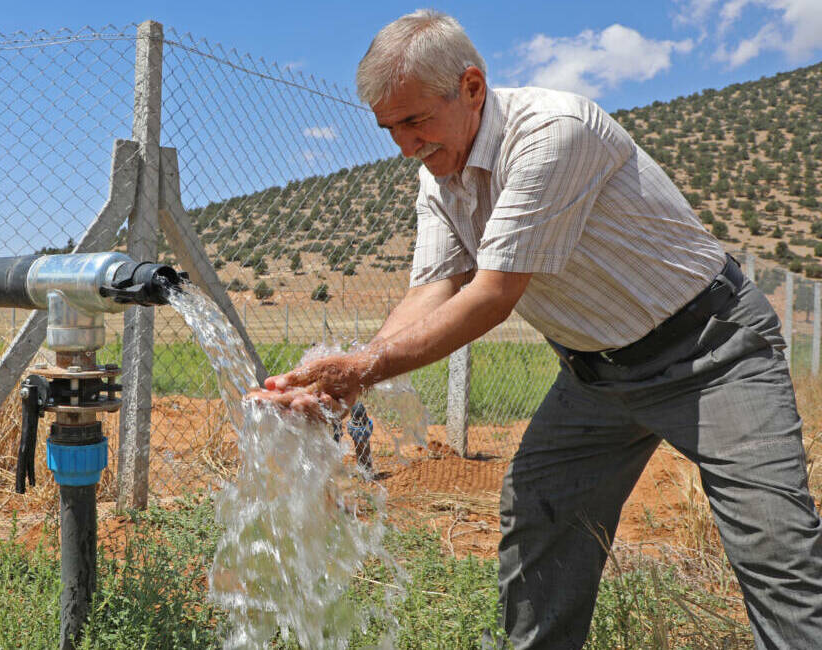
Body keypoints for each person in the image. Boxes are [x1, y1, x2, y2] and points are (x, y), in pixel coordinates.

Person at [252, 9, 822, 649]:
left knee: (776, 550)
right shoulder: (440, 174)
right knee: (539, 518)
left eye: (415, 121)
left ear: (471, 87)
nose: (405, 145)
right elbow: (433, 287)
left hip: (713, 352)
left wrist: (360, 370)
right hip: (596, 375)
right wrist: (346, 371)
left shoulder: (552, 133)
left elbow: (492, 295)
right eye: (390, 128)